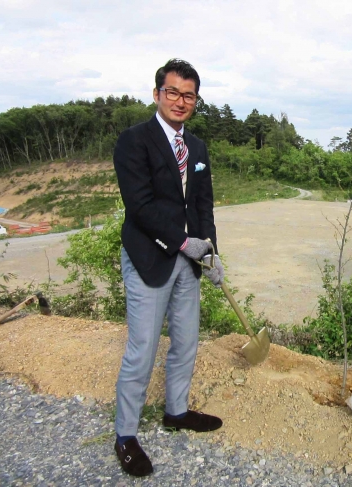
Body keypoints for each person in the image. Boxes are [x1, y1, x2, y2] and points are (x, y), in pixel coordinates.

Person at [112, 59, 226, 477]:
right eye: (173, 92)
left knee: (186, 341)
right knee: (142, 348)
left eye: (189, 95)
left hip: (189, 260)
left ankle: (175, 411)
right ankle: (125, 435)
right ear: (157, 93)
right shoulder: (133, 141)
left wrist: (210, 250)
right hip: (149, 256)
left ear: (196, 100)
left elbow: (202, 204)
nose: (180, 101)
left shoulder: (196, 148)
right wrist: (183, 242)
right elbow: (138, 206)